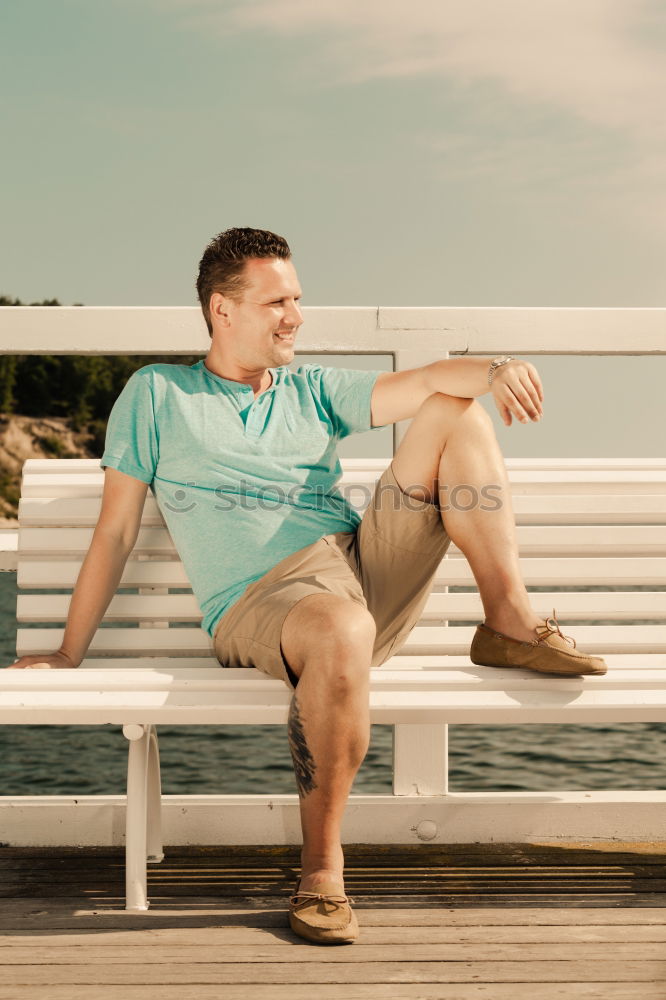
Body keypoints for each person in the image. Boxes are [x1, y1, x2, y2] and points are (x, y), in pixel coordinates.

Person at [9, 226, 607, 945]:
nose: (295, 315)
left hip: (359, 564)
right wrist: (70, 653)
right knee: (340, 626)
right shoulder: (157, 394)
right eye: (277, 302)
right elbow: (114, 531)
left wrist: (499, 365)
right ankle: (322, 870)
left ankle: (508, 624)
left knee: (453, 407)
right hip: (267, 600)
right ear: (222, 309)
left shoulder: (312, 388)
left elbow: (425, 382)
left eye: (298, 298)